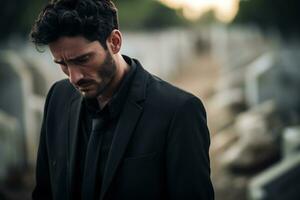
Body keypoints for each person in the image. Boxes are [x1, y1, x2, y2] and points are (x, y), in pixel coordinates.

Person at [30, 0, 214, 199]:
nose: (74, 77)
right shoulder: (58, 98)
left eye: (83, 60)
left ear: (115, 42)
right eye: (63, 63)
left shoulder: (179, 111)